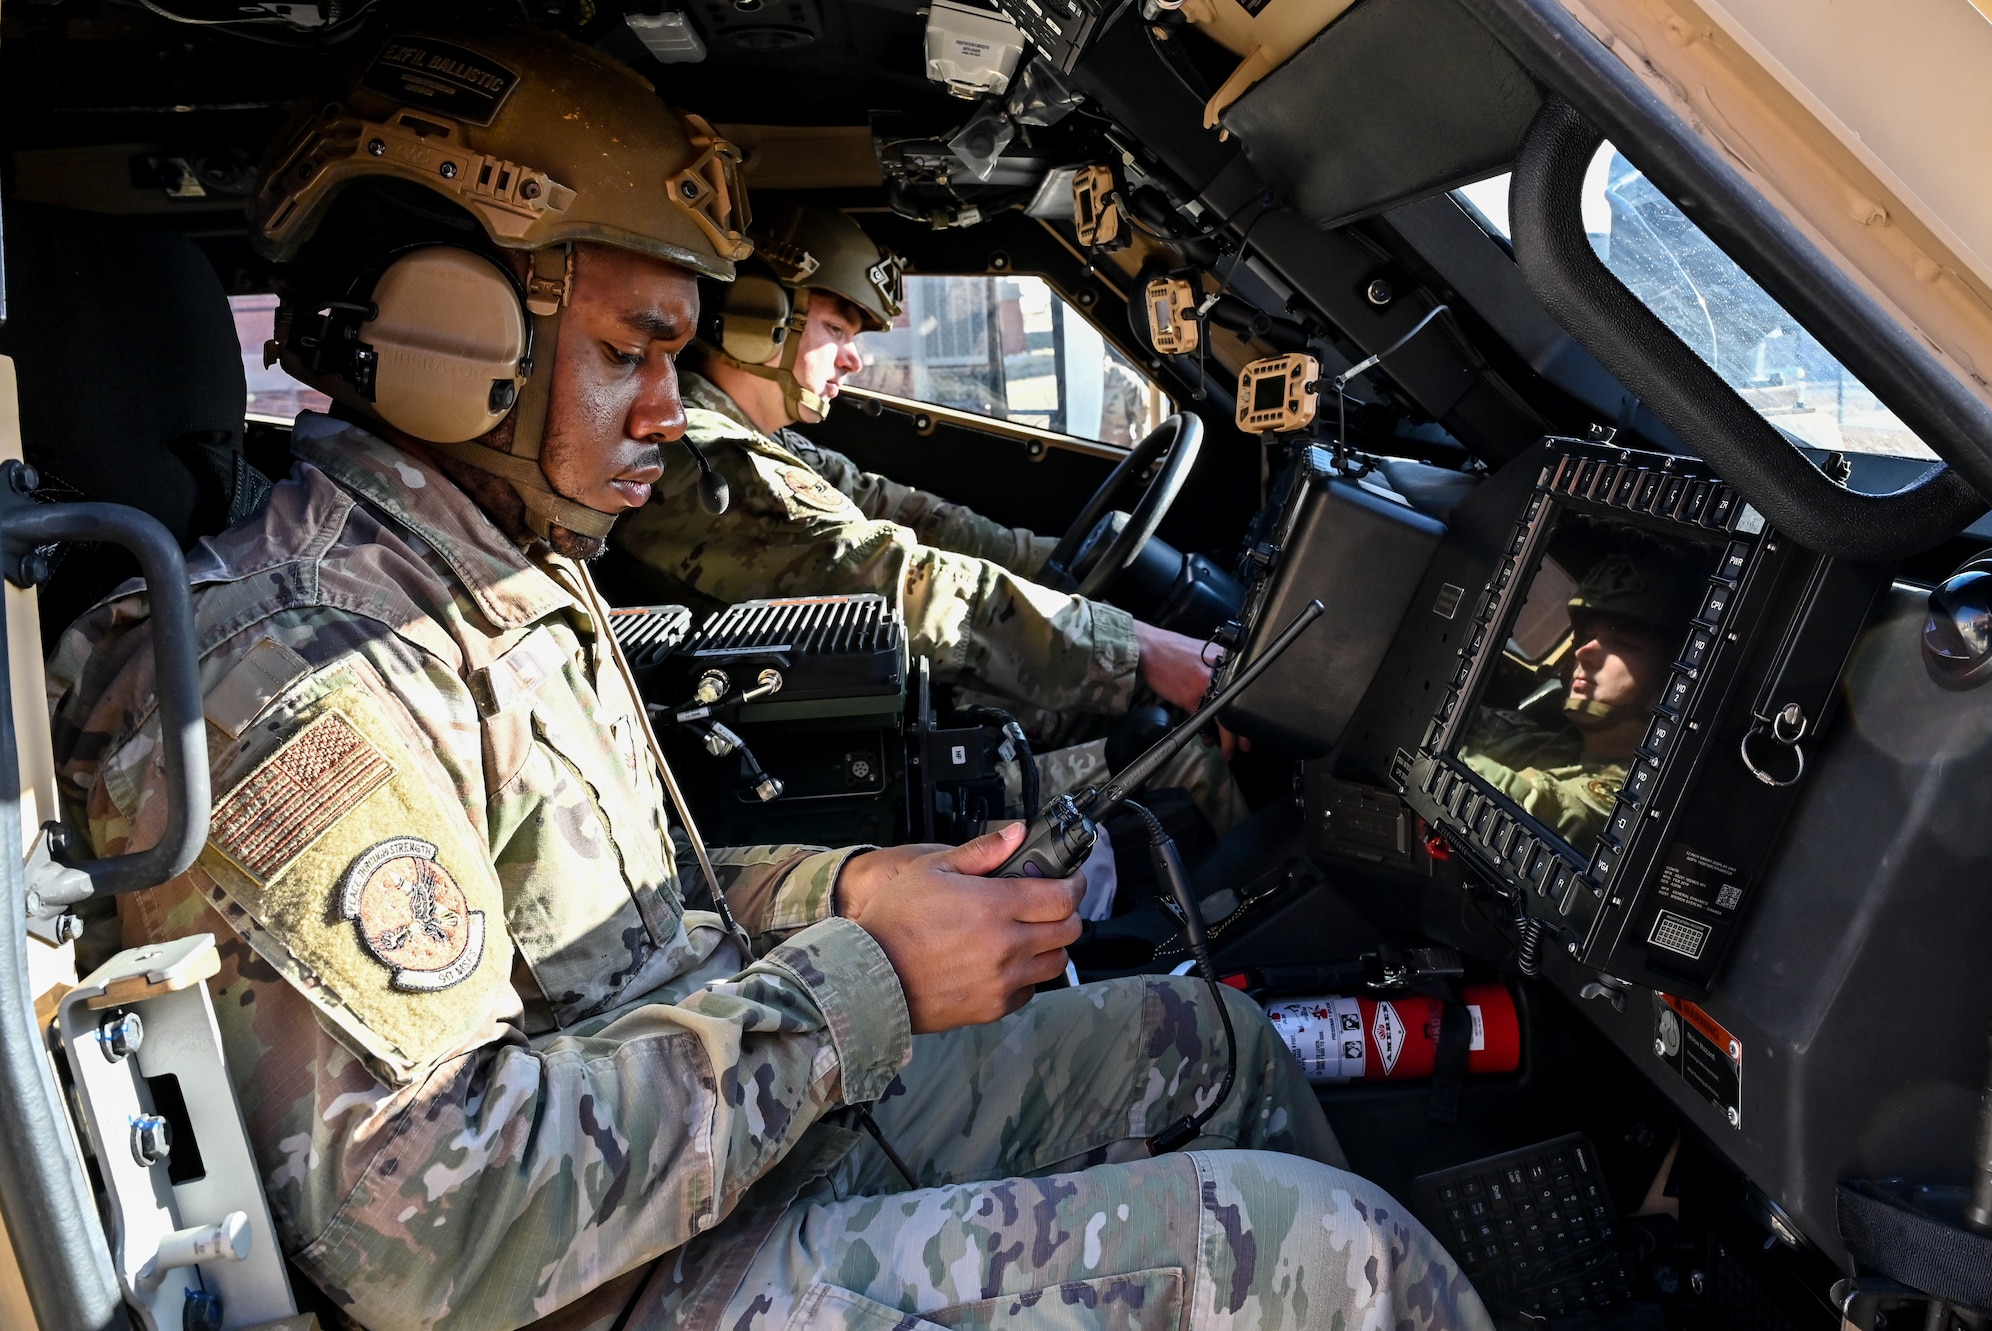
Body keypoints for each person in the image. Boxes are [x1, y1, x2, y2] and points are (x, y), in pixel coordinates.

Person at [46, 30, 1485, 1331]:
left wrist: (848, 896)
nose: (671, 412)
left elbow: (602, 934)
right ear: (450, 330)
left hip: (692, 1162)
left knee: (1206, 1043)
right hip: (592, 1285)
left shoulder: (492, 579)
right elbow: (434, 1232)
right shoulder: (291, 679)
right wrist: (866, 985)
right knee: (1327, 1257)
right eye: (632, 352)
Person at [611, 203, 1246, 832]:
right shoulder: (708, 459)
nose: (853, 359)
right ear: (759, 320)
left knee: (1126, 710)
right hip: (813, 777)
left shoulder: (765, 440)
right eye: (837, 329)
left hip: (877, 722)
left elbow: (916, 517)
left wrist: (1055, 565)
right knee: (1186, 765)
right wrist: (1143, 649)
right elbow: (889, 577)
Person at [1459, 547, 1685, 846]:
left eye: (1622, 643)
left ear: (1667, 683)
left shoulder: (1628, 798)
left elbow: (1536, 805)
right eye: (1588, 636)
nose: (1584, 651)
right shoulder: (1555, 747)